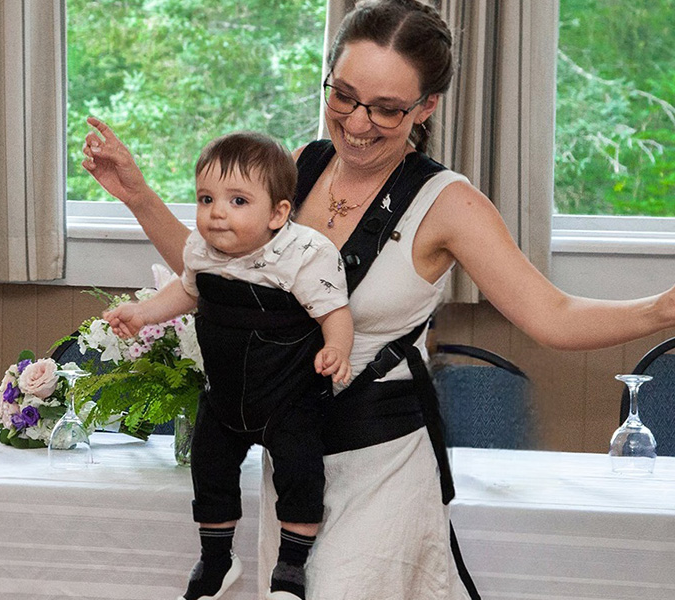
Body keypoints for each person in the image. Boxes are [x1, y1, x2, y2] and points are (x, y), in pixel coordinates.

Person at [82, 1, 675, 597]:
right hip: (294, 465)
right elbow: (213, 270)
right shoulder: (303, 166)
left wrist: (662, 310)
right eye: (343, 96)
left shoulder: (450, 203)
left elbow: (553, 317)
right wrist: (138, 195)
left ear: (427, 106)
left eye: (387, 108)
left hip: (381, 466)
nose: (358, 123)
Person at [102, 131, 354, 600]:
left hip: (286, 397)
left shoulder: (304, 253)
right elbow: (188, 290)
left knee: (301, 473)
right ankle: (217, 558)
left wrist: (337, 347)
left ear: (278, 213)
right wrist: (144, 312)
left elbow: (334, 311)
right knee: (209, 468)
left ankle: (291, 567)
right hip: (224, 397)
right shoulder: (202, 249)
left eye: (237, 201)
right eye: (206, 198)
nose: (217, 212)